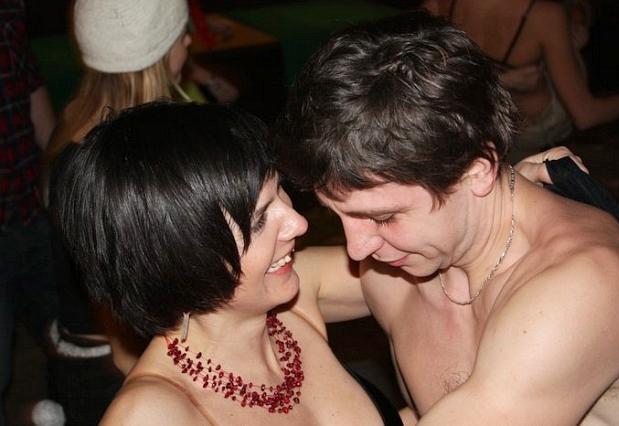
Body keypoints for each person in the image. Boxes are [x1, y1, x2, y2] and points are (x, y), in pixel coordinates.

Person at [274, 11, 619, 424]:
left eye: (384, 217)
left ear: (476, 172)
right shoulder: (403, 264)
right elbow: (260, 284)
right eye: (337, 215)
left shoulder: (580, 290)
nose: (357, 249)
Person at [49, 101, 406, 425]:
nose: (298, 223)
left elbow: (427, 265)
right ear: (185, 262)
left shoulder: (296, 293)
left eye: (280, 190)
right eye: (259, 220)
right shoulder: (152, 416)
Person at [44, 0, 193, 423]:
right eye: (180, 33)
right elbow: (120, 331)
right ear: (157, 54)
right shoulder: (108, 172)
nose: (188, 41)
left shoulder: (75, 125)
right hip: (115, 371)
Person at [423, 0, 619, 161]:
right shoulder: (543, 15)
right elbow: (586, 115)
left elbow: (425, 72)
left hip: (475, 118)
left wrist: (501, 78)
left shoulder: (437, 4)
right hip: (531, 127)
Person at [0, 1, 57, 424]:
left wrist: (59, 182)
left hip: (31, 215)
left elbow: (37, 105)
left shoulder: (8, 19)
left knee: (65, 339)